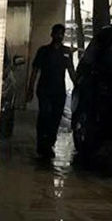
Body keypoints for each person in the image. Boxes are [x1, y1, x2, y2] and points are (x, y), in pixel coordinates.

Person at [26, 24, 77, 158]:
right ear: (52, 34)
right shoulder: (43, 51)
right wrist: (30, 88)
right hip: (44, 90)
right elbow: (35, 70)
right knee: (45, 116)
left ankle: (49, 144)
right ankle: (41, 144)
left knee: (55, 118)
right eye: (57, 33)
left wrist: (78, 85)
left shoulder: (66, 52)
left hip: (59, 91)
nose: (59, 36)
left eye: (61, 34)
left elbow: (71, 71)